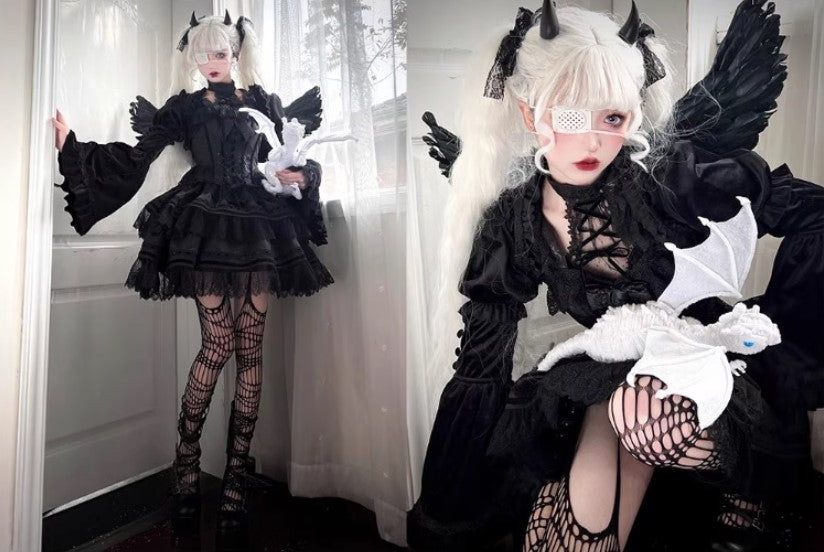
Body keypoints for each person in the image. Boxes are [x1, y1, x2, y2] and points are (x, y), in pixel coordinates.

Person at [409, 1, 824, 551]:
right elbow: (481, 361)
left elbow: (815, 215)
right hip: (612, 371)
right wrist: (452, 495)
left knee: (639, 415)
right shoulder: (514, 222)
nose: (591, 142)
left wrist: (781, 341)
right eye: (569, 116)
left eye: (612, 119)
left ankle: (749, 487)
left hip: (707, 366)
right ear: (530, 115)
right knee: (558, 530)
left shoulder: (674, 178)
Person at [50, 11, 332, 544]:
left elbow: (288, 156)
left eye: (220, 53)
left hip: (258, 223)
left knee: (251, 348)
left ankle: (236, 481)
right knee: (218, 343)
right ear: (193, 58)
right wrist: (73, 147)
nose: (211, 63)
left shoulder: (263, 102)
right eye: (203, 55)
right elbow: (137, 158)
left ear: (236, 53)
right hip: (204, 221)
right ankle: (186, 463)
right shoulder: (184, 107)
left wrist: (300, 173)